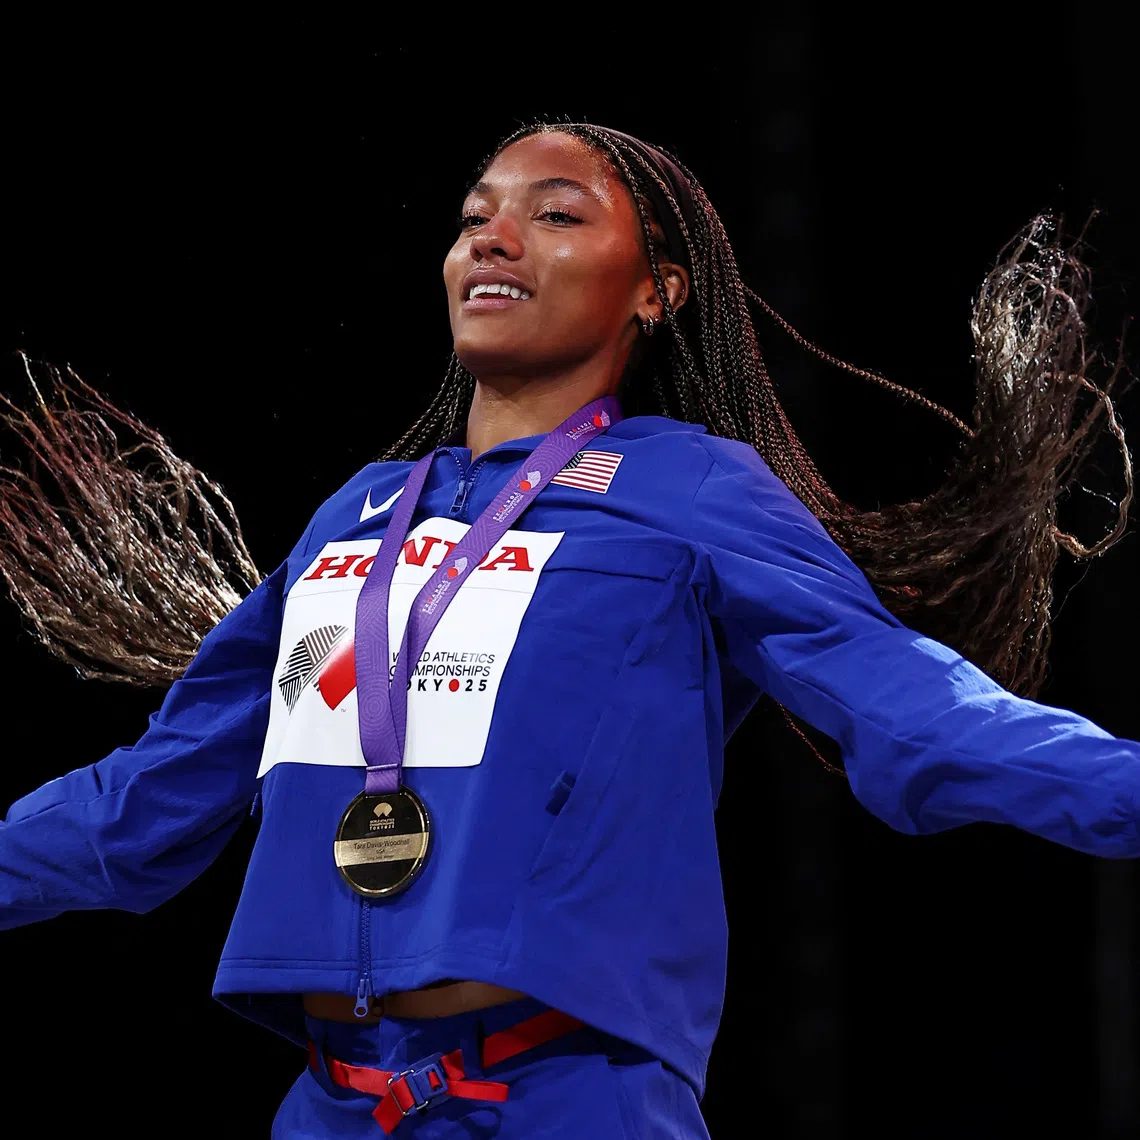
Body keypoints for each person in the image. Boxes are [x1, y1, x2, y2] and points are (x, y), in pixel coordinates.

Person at [0, 121, 1136, 1138]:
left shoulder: (693, 490)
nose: (493, 240)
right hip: (333, 1107)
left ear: (657, 291)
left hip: (569, 1100)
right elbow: (143, 803)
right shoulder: (359, 510)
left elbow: (926, 715)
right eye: (474, 217)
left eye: (554, 215)